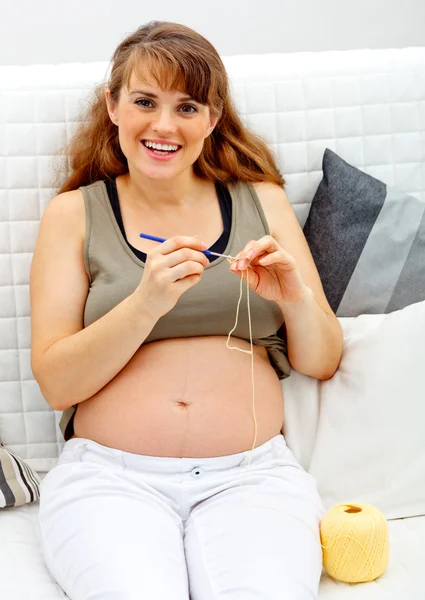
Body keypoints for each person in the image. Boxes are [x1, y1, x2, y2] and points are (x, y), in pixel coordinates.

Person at [30, 20, 343, 600]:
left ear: (213, 119)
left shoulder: (263, 201)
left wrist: (294, 296)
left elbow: (322, 361)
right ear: (114, 107)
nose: (165, 126)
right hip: (108, 478)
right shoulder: (74, 214)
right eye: (145, 102)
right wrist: (146, 303)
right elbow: (56, 384)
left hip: (253, 477)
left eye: (188, 107)